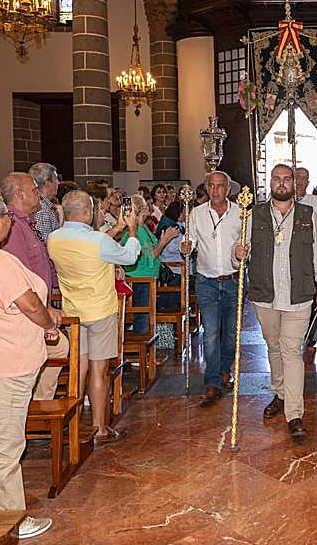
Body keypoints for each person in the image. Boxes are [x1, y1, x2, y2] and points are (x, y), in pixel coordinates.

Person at [236, 164, 317, 440]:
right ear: (270, 183)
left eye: (286, 179)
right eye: (276, 179)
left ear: (293, 183)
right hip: (265, 295)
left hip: (298, 295)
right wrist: (237, 253)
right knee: (274, 347)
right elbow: (240, 249)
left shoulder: (307, 214)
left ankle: (294, 413)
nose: (282, 183)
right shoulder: (254, 215)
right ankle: (279, 392)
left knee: (291, 352)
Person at [47, 190, 140, 443]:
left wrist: (117, 227)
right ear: (88, 212)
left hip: (73, 311)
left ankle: (75, 424)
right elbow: (129, 256)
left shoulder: (54, 238)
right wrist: (131, 230)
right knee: (99, 372)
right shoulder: (97, 241)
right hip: (99, 311)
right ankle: (100, 429)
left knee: (79, 369)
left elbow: (93, 247)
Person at [0, 194, 62, 540]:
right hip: (10, 364)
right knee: (7, 446)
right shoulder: (2, 263)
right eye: (6, 216)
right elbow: (29, 304)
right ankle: (12, 519)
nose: (10, 221)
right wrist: (48, 324)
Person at [0, 173, 66, 400]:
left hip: (36, 306)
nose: (38, 194)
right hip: (24, 315)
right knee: (58, 347)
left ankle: (37, 402)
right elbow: (20, 280)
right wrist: (45, 312)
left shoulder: (25, 222)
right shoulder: (14, 228)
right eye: (34, 190)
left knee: (59, 348)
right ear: (19, 194)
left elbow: (40, 264)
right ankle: (38, 404)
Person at [180, 171, 244, 406]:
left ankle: (225, 368)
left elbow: (245, 243)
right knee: (211, 334)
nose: (215, 190)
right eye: (211, 186)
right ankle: (213, 381)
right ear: (206, 188)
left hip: (233, 280)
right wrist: (186, 246)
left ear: (228, 189)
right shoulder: (196, 213)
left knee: (230, 333)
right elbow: (190, 240)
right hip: (206, 281)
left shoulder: (240, 214)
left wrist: (242, 253)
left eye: (220, 186)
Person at [120, 195, 180, 330]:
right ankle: (141, 338)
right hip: (139, 278)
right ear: (141, 209)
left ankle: (145, 339)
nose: (149, 206)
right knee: (142, 316)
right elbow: (151, 256)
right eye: (145, 205)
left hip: (148, 277)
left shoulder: (143, 227)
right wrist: (164, 240)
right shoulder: (135, 230)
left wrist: (162, 241)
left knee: (147, 315)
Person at [294, 167, 317, 240]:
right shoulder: (283, 201)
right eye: (297, 177)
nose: (299, 182)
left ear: (307, 183)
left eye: (303, 179)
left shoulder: (315, 201)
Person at [28, 162, 60, 242]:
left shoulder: (42, 205)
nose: (58, 183)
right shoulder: (42, 210)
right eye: (56, 179)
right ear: (47, 182)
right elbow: (45, 243)